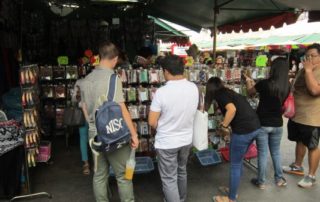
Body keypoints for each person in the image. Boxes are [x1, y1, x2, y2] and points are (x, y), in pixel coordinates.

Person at [81, 41, 139, 202]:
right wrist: (133, 134)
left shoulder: (86, 79)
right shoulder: (113, 78)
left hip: (94, 134)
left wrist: (93, 124)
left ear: (100, 57)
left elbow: (84, 108)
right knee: (123, 175)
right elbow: (121, 108)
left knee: (99, 175)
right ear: (115, 59)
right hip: (114, 133)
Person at [148, 55, 198, 202]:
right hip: (186, 139)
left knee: (169, 178)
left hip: (167, 142)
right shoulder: (194, 87)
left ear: (166, 71)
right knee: (182, 170)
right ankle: (181, 199)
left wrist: (163, 126)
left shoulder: (162, 92)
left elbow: (151, 121)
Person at [205, 77, 261, 202]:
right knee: (239, 160)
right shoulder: (230, 92)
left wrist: (223, 126)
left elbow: (232, 109)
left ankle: (231, 198)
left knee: (235, 164)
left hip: (244, 131)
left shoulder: (221, 95)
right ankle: (233, 190)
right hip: (255, 127)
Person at [245, 57, 290, 189]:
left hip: (263, 123)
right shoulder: (287, 85)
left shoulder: (265, 83)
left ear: (273, 69)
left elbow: (250, 93)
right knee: (275, 152)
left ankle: (261, 181)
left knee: (263, 153)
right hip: (278, 123)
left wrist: (248, 81)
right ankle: (279, 179)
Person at [283, 43, 320, 188]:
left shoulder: (310, 70)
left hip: (312, 117)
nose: (309, 58)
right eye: (307, 56)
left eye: (313, 56)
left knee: (312, 145)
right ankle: (298, 166)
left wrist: (309, 71)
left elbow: (314, 91)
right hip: (298, 114)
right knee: (299, 141)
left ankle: (311, 176)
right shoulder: (303, 69)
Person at [72, 79, 90, 175]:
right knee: (96, 137)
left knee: (83, 138)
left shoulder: (78, 82)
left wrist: (78, 96)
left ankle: (86, 164)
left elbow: (73, 99)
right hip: (93, 112)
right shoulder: (95, 79)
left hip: (82, 113)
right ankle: (98, 163)